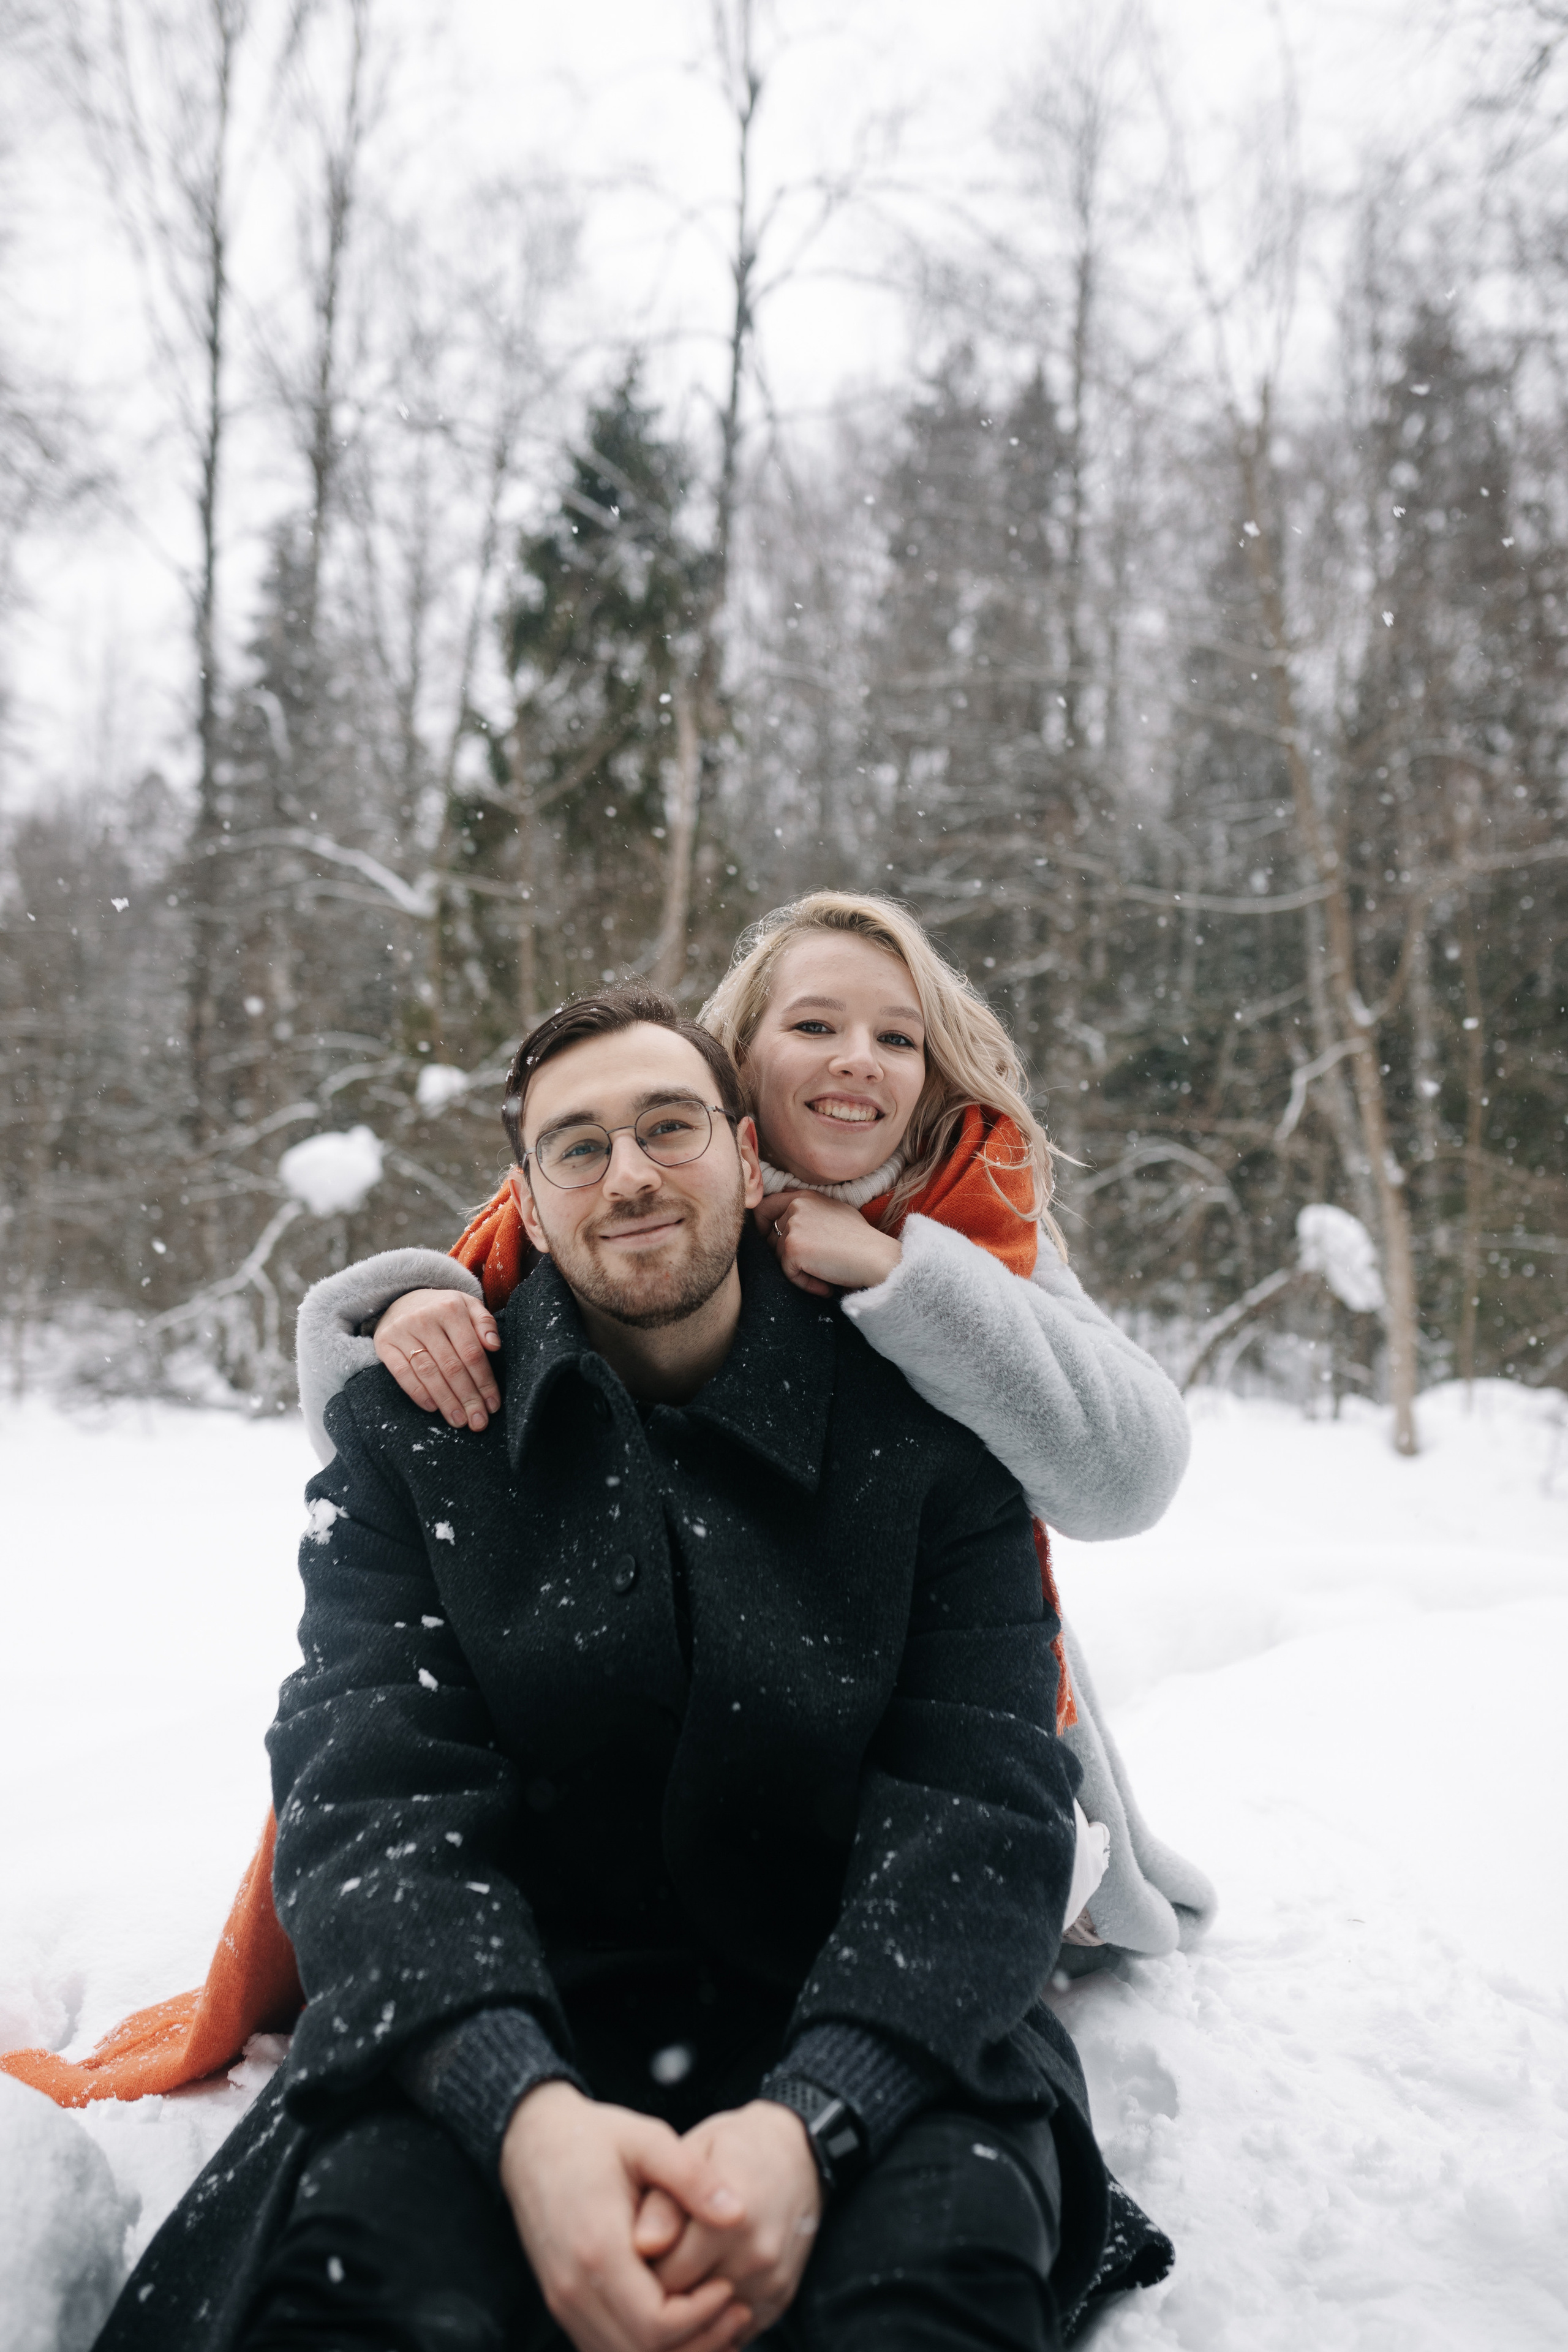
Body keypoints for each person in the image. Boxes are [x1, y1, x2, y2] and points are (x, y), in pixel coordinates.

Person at [100, 985, 1169, 2352]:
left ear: (743, 1154)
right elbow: (369, 1799)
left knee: (929, 2306)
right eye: (579, 1146)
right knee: (353, 2294)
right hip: (497, 2016)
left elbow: (981, 1807)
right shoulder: (409, 1440)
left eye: (670, 1129)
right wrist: (517, 2113)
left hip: (880, 2027)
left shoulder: (929, 1446)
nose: (632, 1177)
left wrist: (815, 2120)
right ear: (531, 1205)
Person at [300, 892, 1213, 1966]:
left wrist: (901, 1275)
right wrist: (408, 1306)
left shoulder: (966, 1218)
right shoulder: (649, 1183)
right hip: (692, 1714)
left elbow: (1130, 1477)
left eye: (897, 1036)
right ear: (738, 1062)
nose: (859, 1059)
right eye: (816, 1025)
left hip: (930, 1707)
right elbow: (383, 1433)